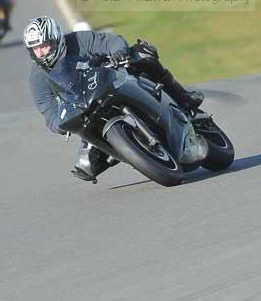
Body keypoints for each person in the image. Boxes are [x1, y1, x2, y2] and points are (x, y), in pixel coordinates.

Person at [24, 15, 204, 182]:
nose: (40, 53)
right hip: (84, 109)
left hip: (111, 79)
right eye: (35, 49)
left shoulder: (78, 40)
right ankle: (130, 152)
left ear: (56, 40)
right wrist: (60, 124)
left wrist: (118, 52)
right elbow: (47, 109)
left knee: (143, 54)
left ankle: (183, 97)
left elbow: (110, 42)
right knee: (85, 165)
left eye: (44, 46)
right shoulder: (37, 78)